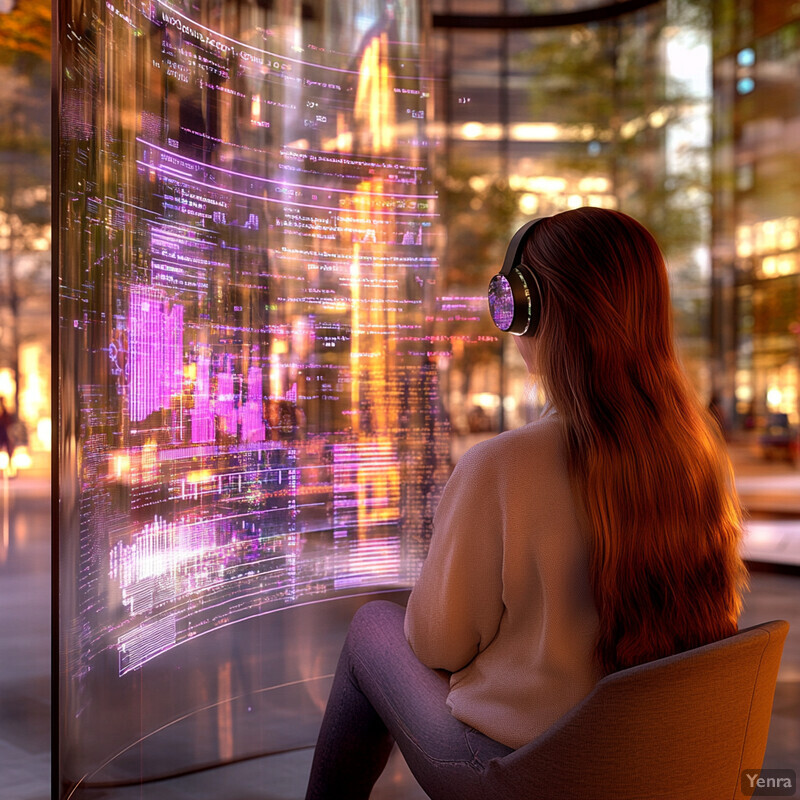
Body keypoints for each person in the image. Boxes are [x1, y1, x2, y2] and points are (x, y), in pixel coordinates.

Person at [304, 207, 747, 799]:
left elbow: (438, 644)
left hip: (535, 778)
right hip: (667, 765)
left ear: (529, 310)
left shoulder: (503, 465)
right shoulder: (698, 453)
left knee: (372, 627)